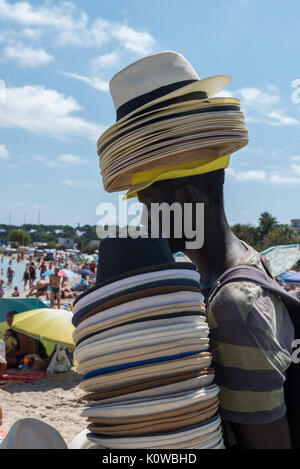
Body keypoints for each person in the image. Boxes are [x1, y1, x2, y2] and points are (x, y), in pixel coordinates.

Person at [102, 52, 294, 449]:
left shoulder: (232, 306)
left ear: (186, 197)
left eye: (148, 201)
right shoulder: (245, 263)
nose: (145, 220)